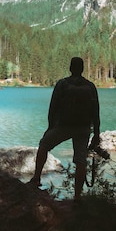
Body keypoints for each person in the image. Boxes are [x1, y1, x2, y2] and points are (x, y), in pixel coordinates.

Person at [29, 56, 100, 199]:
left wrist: (50, 127)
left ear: (70, 68)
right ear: (82, 69)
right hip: (84, 128)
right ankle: (77, 197)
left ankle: (36, 178)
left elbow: (53, 107)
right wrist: (96, 134)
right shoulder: (90, 86)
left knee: (44, 144)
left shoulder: (63, 84)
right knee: (80, 160)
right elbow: (96, 112)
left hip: (64, 126)